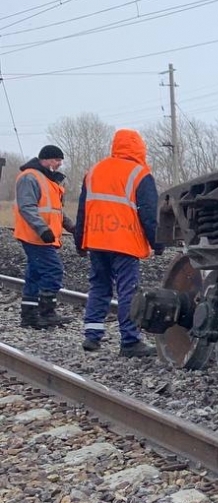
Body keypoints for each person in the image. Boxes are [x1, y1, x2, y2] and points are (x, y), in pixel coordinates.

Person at [75, 129, 163, 358]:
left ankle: (92, 336)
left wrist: (79, 241)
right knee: (127, 291)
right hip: (124, 242)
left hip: (96, 240)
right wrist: (158, 242)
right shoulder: (139, 174)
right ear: (139, 148)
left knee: (99, 286)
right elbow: (149, 214)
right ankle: (130, 341)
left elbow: (83, 209)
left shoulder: (94, 171)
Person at [11, 144, 73, 329]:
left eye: (60, 160)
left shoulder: (47, 180)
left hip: (41, 236)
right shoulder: (30, 177)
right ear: (45, 159)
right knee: (53, 271)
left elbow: (55, 211)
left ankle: (29, 315)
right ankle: (46, 313)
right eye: (56, 160)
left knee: (35, 274)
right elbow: (27, 207)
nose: (59, 164)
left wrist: (70, 226)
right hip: (35, 236)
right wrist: (43, 229)